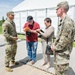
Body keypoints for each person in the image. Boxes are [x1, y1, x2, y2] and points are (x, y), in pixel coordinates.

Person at [51, 1, 75, 75]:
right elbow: (60, 37)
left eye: (57, 9)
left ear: (61, 9)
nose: (56, 11)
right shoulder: (63, 21)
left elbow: (64, 41)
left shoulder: (67, 22)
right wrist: (54, 44)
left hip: (62, 57)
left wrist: (54, 48)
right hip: (59, 56)